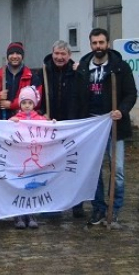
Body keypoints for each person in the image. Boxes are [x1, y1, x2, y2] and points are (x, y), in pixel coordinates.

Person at [74, 28, 137, 228]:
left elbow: (131, 93)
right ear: (90, 44)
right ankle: (98, 208)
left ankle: (114, 209)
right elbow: (76, 97)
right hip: (92, 127)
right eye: (94, 43)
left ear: (108, 43)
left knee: (117, 170)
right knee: (94, 170)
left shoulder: (120, 67)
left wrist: (122, 110)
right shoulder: (83, 68)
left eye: (101, 43)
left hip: (113, 125)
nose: (98, 47)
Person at [40, 40, 83, 218]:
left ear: (69, 56)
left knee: (73, 166)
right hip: (50, 125)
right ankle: (53, 204)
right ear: (52, 53)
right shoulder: (43, 72)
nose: (59, 57)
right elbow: (38, 96)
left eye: (63, 54)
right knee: (51, 166)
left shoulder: (77, 72)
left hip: (71, 126)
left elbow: (82, 95)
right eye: (57, 54)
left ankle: (76, 204)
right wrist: (42, 114)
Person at [9, 86, 49, 229]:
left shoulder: (39, 119)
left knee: (32, 186)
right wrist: (10, 123)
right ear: (20, 104)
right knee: (19, 185)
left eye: (30, 103)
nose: (27, 105)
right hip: (18, 158)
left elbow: (50, 129)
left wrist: (54, 123)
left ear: (34, 104)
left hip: (34, 160)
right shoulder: (14, 119)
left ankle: (31, 213)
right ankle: (18, 214)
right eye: (24, 102)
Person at [0, 42, 36, 119]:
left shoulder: (32, 76)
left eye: (18, 53)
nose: (15, 56)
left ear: (22, 56)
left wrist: (11, 105)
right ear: (7, 56)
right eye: (11, 53)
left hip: (23, 122)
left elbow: (37, 98)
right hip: (1, 121)